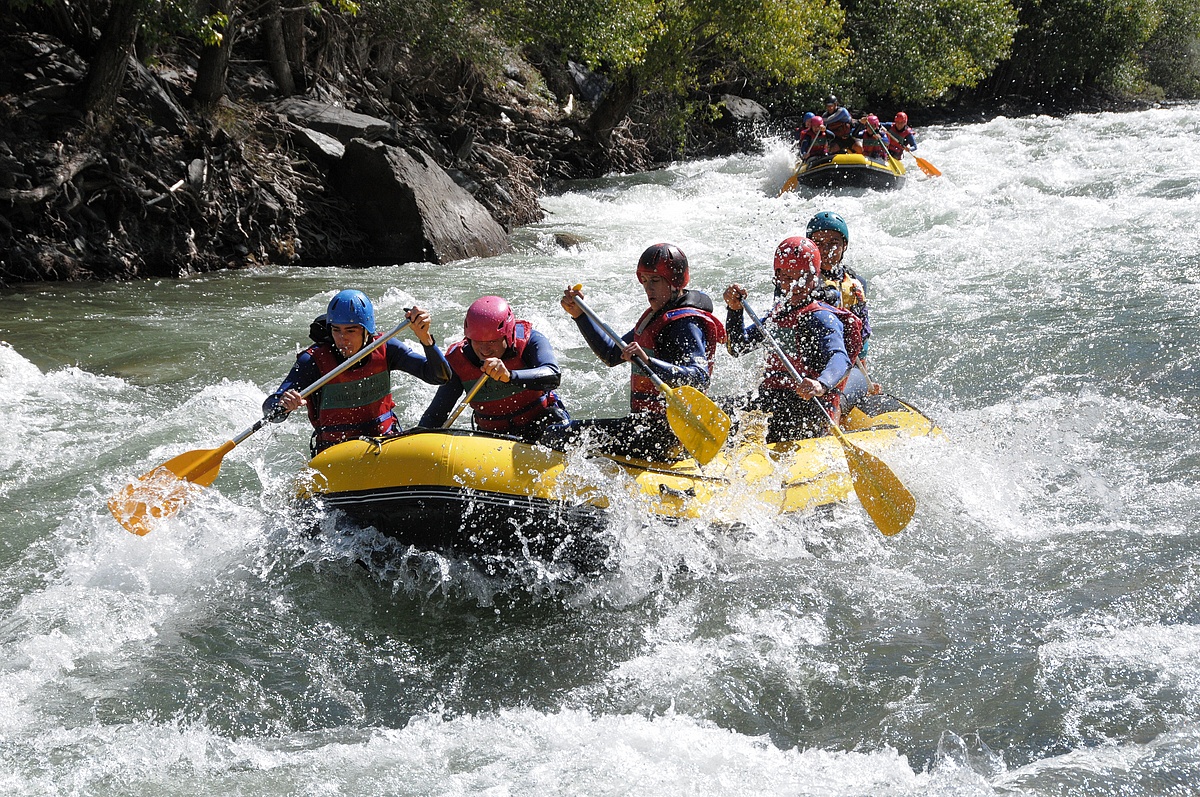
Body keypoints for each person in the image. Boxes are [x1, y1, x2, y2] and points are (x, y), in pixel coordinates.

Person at [550, 243, 726, 461]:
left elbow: (699, 378)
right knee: (560, 431)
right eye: (644, 281)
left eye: (655, 281)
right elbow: (611, 354)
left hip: (665, 434)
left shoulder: (686, 324)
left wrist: (649, 362)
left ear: (674, 283)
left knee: (558, 435)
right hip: (643, 428)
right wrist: (580, 315)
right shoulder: (656, 316)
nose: (648, 288)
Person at [264, 289, 451, 455]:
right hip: (336, 454)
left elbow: (440, 376)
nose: (342, 338)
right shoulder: (312, 361)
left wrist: (425, 338)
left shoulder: (385, 347)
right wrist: (283, 404)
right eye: (336, 330)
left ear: (367, 331)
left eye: (350, 330)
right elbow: (270, 409)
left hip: (383, 445)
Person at [723, 237, 864, 443]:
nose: (795, 286)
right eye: (788, 277)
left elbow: (839, 357)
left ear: (815, 277)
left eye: (803, 278)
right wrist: (734, 311)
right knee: (725, 409)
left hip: (809, 405)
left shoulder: (821, 317)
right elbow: (737, 347)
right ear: (778, 276)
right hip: (775, 398)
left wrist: (820, 384)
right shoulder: (778, 315)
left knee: (782, 417)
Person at [419, 295, 569, 442]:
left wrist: (510, 376)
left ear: (509, 334)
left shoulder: (531, 341)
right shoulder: (458, 361)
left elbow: (553, 375)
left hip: (543, 426)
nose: (485, 350)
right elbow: (435, 416)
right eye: (477, 342)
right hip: (495, 438)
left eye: (492, 341)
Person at [806, 211, 877, 397]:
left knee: (845, 385)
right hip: (807, 364)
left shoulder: (855, 284)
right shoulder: (797, 282)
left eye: (833, 243)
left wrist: (865, 376)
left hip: (843, 366)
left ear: (844, 245)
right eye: (819, 243)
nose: (826, 249)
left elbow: (862, 341)